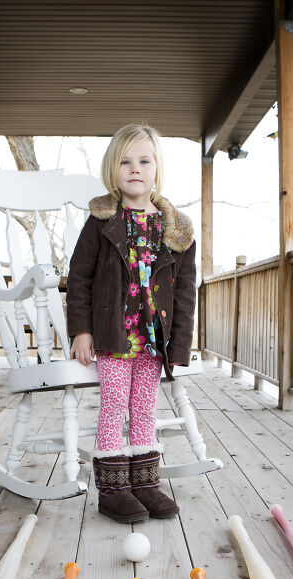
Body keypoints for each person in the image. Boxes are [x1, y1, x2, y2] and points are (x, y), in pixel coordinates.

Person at [66, 124, 196, 524]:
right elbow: (79, 277)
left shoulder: (175, 229)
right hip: (115, 335)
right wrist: (81, 330)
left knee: (143, 409)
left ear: (157, 168)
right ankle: (113, 489)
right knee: (113, 407)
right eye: (125, 161)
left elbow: (186, 292)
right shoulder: (103, 221)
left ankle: (144, 483)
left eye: (144, 160)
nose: (134, 169)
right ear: (112, 169)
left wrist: (179, 345)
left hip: (153, 338)